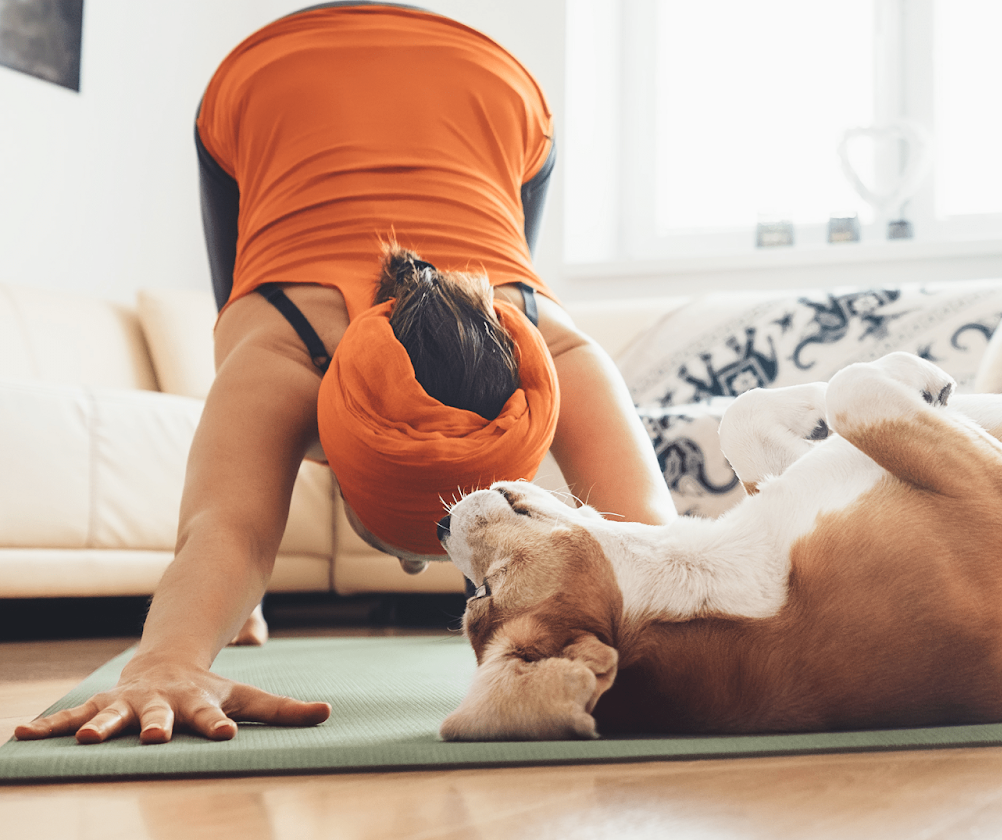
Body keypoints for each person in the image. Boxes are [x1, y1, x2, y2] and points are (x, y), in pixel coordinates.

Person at [14, 3, 674, 746]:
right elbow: (228, 528)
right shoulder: (282, 349)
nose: (408, 568)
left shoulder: (552, 354)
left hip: (494, 93)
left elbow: (657, 545)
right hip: (270, 80)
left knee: (247, 393)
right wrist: (164, 660)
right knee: (238, 337)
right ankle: (227, 604)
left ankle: (229, 601)